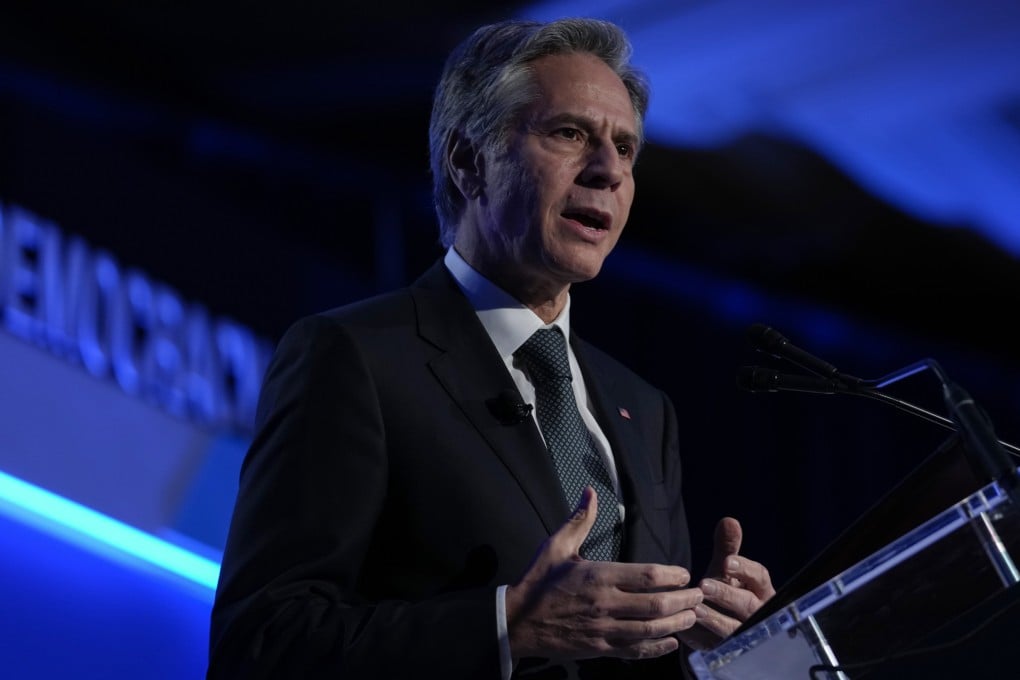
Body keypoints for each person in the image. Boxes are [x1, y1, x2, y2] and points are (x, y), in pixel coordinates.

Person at [207, 17, 775, 680]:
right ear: (468, 161)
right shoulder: (354, 358)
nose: (609, 172)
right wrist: (508, 626)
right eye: (570, 133)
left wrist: (711, 652)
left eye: (625, 148)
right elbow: (260, 644)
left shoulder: (643, 411)